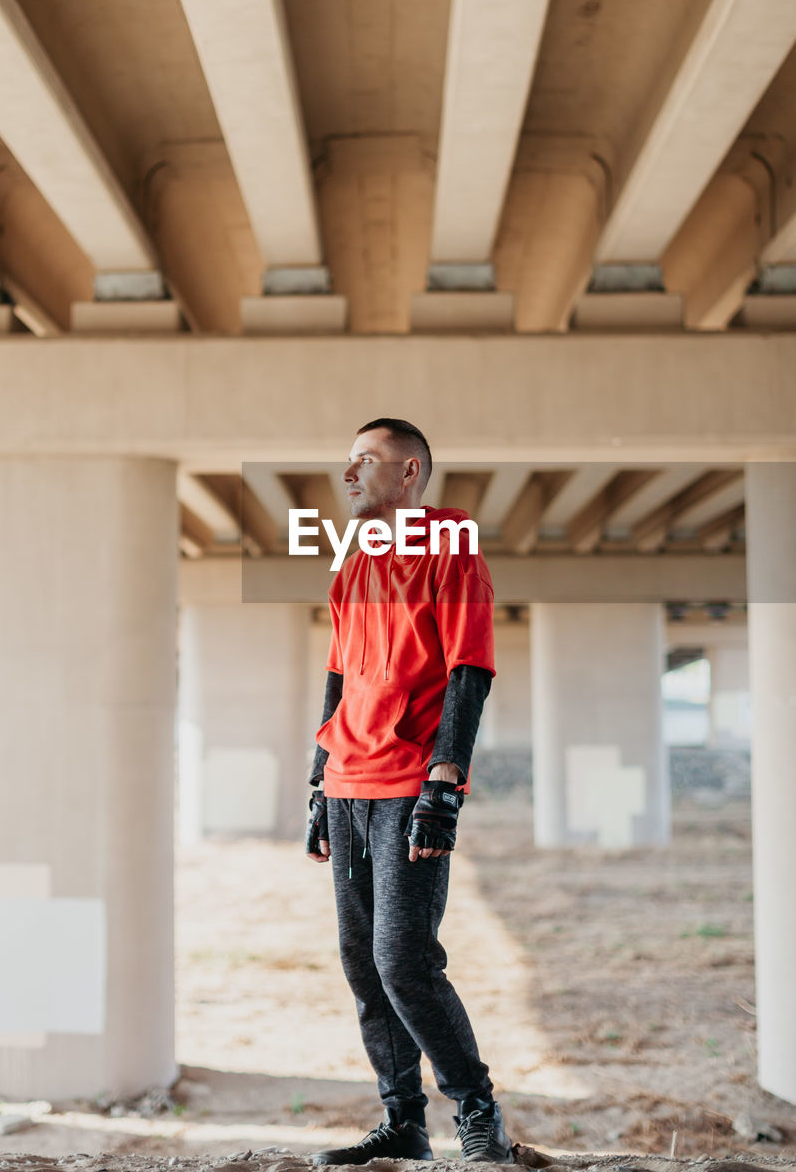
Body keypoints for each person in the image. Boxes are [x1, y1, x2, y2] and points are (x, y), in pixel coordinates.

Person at [305, 418, 520, 1165]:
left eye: (366, 461)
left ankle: (477, 1110)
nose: (349, 474)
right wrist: (316, 777)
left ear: (409, 474)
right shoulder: (353, 559)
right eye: (347, 461)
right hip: (346, 781)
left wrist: (445, 782)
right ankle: (402, 1121)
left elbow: (470, 668)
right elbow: (338, 671)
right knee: (361, 961)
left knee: (402, 959)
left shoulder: (453, 551)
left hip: (407, 786)